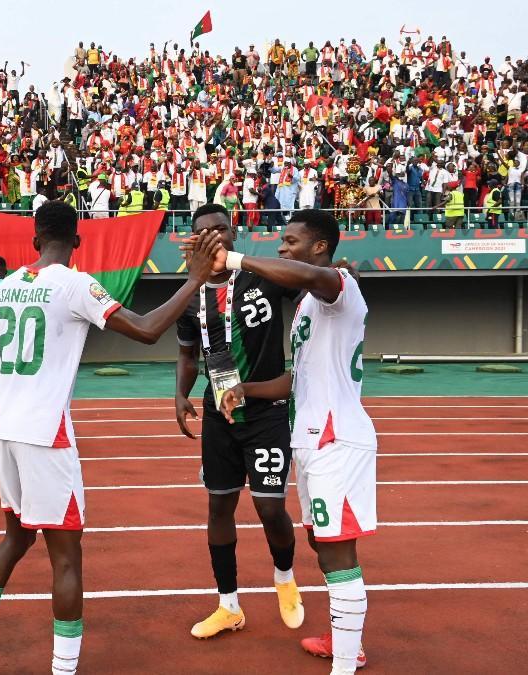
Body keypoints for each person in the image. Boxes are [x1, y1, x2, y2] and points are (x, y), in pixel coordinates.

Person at [0, 200, 217, 674]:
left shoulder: (7, 286)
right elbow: (148, 331)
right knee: (66, 556)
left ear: (34, 241)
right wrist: (193, 280)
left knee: (15, 538)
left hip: (6, 426)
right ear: (77, 241)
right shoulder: (75, 283)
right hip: (44, 433)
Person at [215, 209, 376, 674]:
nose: (281, 247)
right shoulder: (309, 303)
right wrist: (246, 389)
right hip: (308, 439)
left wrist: (236, 258)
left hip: (336, 438)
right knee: (324, 548)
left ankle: (346, 663)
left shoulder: (338, 288)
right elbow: (296, 378)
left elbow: (312, 276)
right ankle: (345, 638)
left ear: (320, 247)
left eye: (289, 241)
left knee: (338, 551)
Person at [173, 204, 304, 640]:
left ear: (233, 233)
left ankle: (284, 576)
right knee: (219, 505)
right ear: (191, 241)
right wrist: (180, 393)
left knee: (270, 507)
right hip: (218, 414)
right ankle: (228, 605)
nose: (213, 236)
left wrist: (336, 272)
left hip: (264, 412)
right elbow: (187, 353)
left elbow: (309, 285)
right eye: (203, 232)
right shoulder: (191, 295)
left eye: (221, 229)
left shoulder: (262, 275)